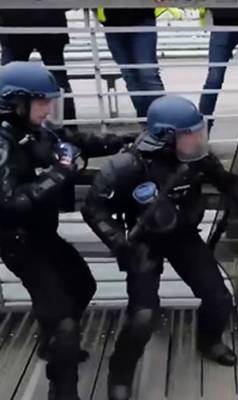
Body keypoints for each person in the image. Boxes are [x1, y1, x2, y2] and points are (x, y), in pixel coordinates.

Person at [81, 95, 238, 400]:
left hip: (183, 235)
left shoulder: (195, 158)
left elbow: (225, 180)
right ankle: (120, 372)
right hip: (143, 243)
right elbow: (93, 209)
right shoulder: (127, 166)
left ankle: (208, 341)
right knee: (142, 316)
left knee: (219, 298)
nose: (198, 140)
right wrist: (117, 241)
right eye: (190, 134)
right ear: (166, 138)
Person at [0, 61, 134, 400]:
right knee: (62, 318)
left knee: (83, 285)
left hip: (43, 234)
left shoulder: (36, 129)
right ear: (16, 103)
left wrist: (122, 142)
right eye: (42, 101)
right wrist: (60, 173)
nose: (48, 109)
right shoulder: (2, 141)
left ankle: (54, 343)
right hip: (17, 241)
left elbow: (74, 141)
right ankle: (62, 388)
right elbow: (9, 202)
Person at [0, 9, 77, 129]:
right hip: (46, 24)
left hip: (15, 24)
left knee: (7, 82)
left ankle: (6, 126)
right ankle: (68, 128)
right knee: (58, 80)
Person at [98, 8, 166, 118]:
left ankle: (162, 121)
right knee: (130, 76)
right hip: (112, 22)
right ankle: (146, 121)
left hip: (141, 17)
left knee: (147, 73)